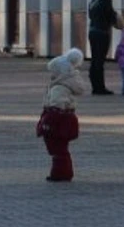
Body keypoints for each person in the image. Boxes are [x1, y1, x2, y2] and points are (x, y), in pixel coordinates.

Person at [37, 47, 88, 182]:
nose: (51, 75)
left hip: (58, 121)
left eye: (53, 72)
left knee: (58, 150)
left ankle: (60, 173)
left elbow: (56, 106)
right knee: (61, 149)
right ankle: (62, 172)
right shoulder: (66, 85)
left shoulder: (59, 88)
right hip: (67, 120)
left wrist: (47, 122)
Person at [86, 0, 121, 94]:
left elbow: (91, 16)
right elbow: (110, 16)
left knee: (95, 59)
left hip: (92, 31)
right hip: (102, 32)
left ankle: (95, 86)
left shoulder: (93, 0)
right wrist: (118, 20)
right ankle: (100, 87)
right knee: (100, 61)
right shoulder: (106, 0)